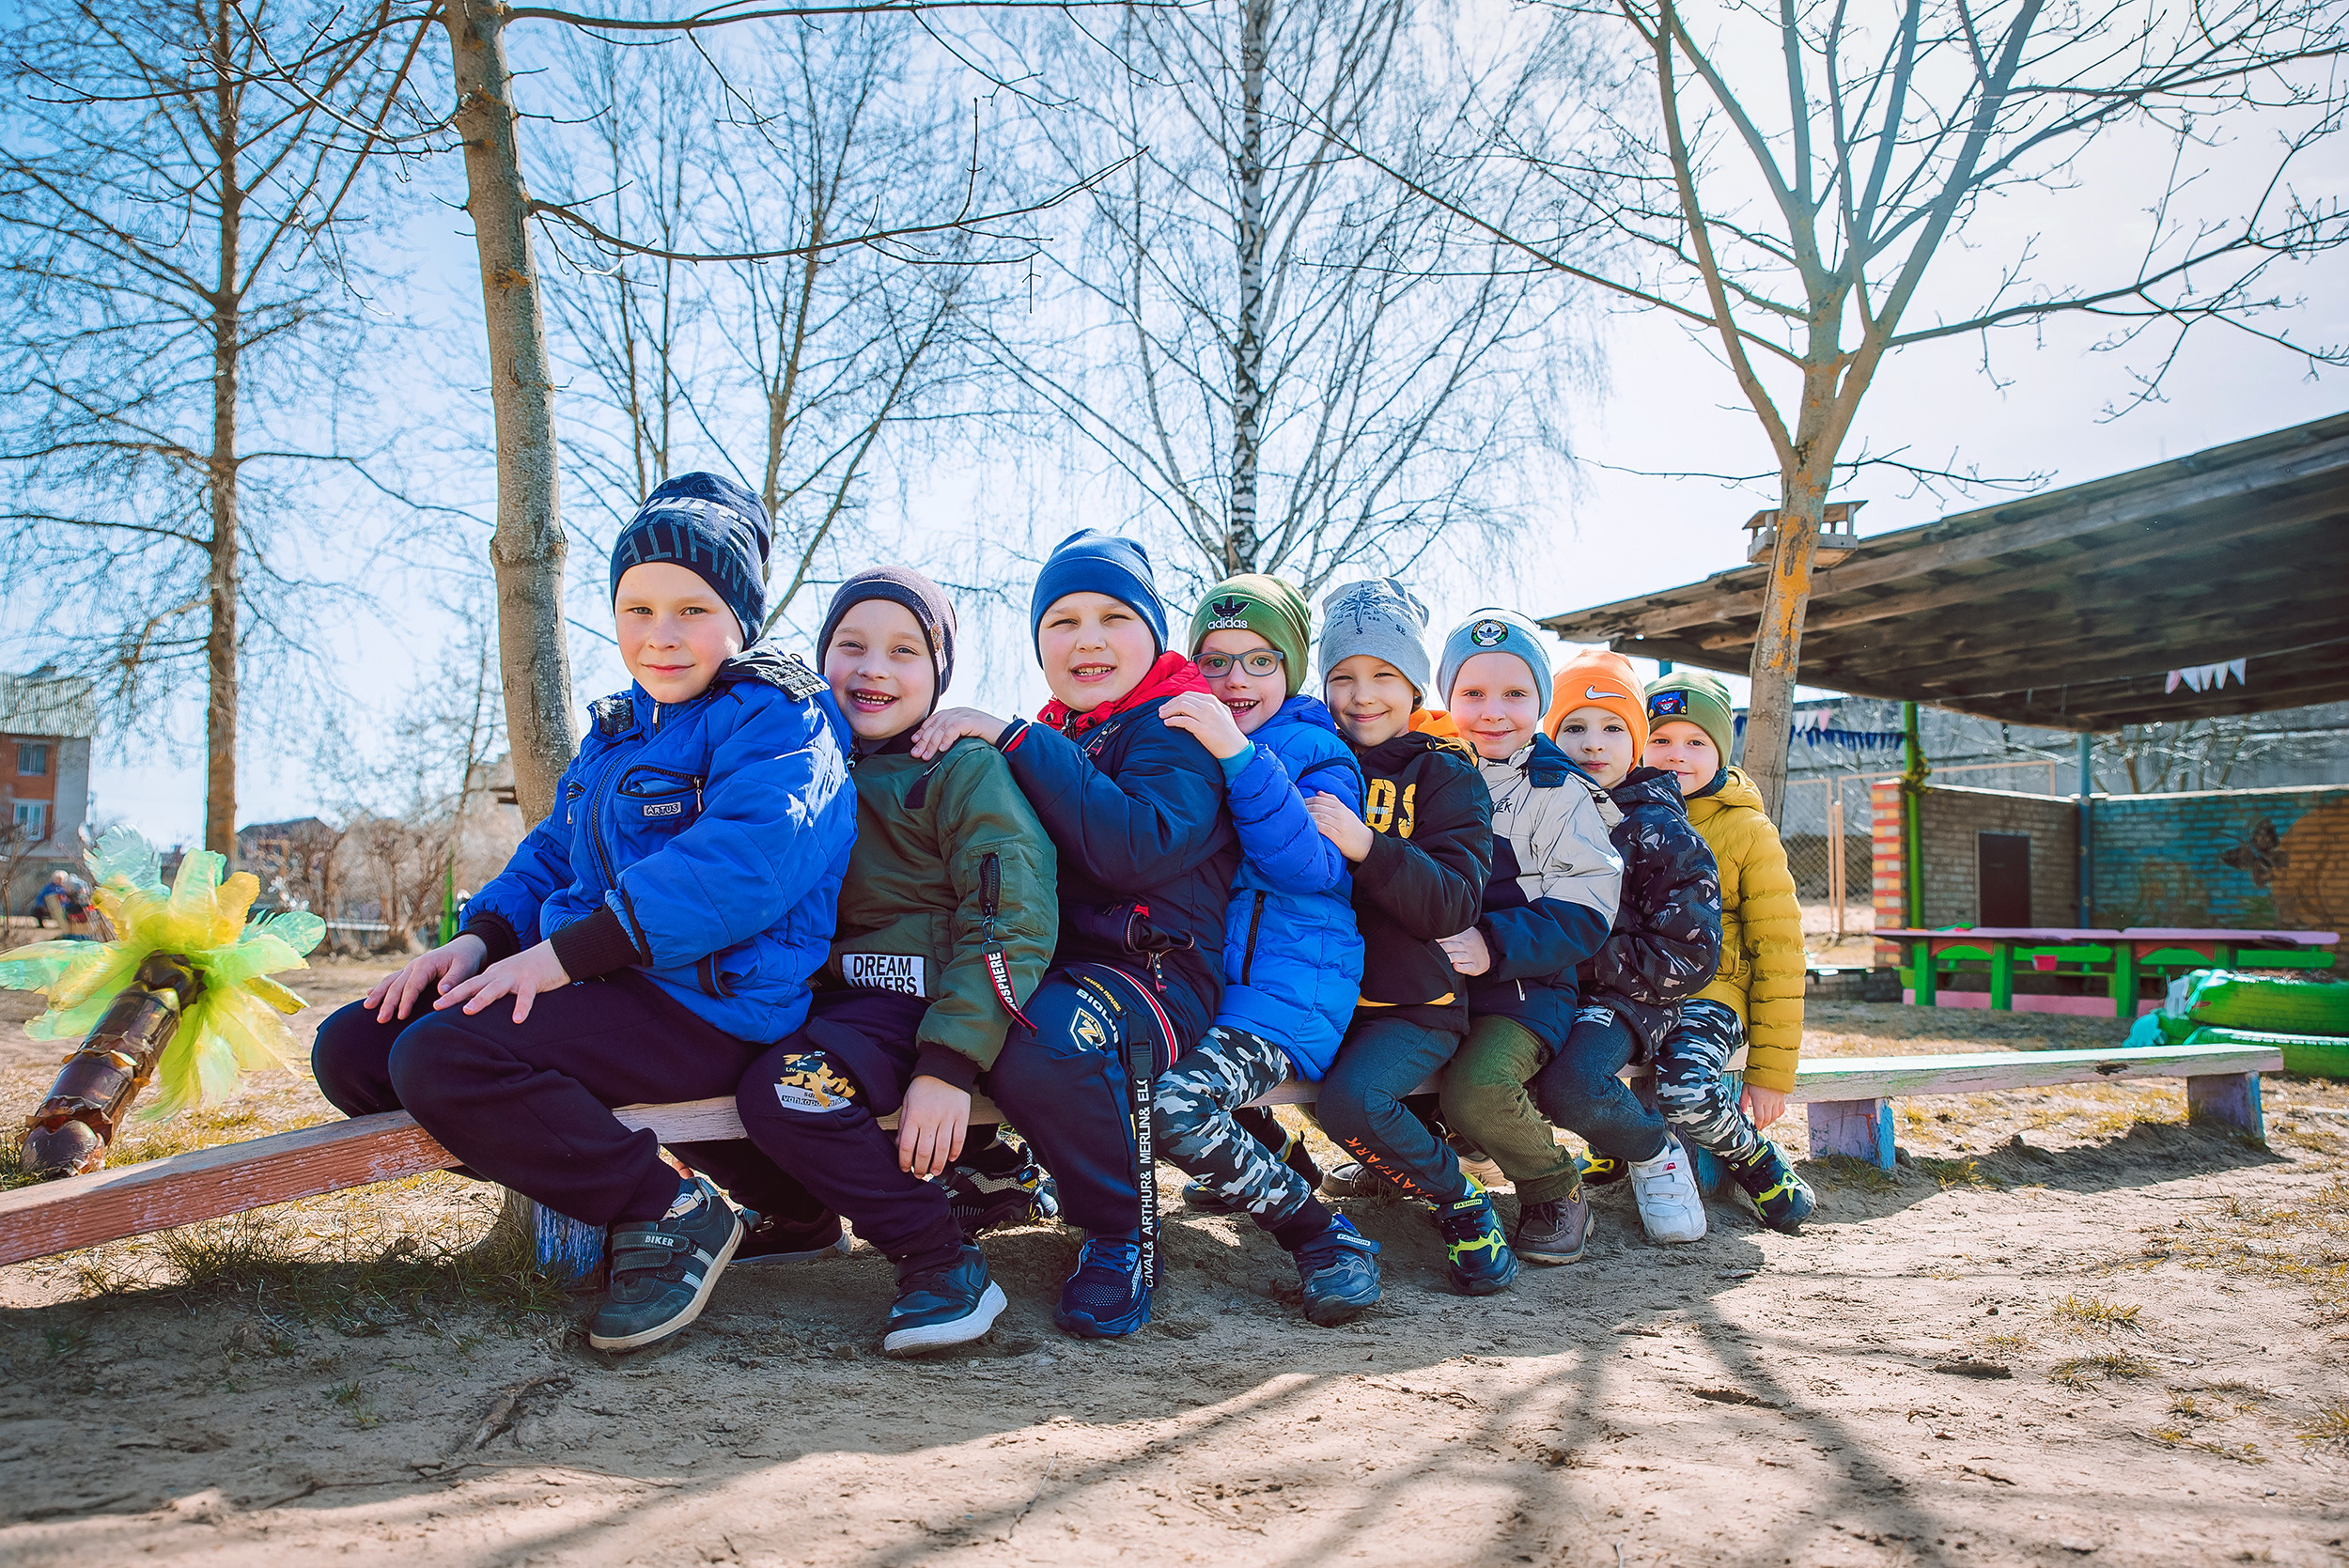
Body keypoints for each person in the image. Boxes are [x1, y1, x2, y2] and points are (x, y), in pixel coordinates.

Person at [310, 474, 857, 1354]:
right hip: (607, 981)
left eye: (692, 609)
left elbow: (743, 865)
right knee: (360, 1048)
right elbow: (554, 855)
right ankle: (759, 1204)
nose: (661, 635)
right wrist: (479, 942)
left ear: (741, 619)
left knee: (444, 1055)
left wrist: (562, 958)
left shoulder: (781, 718)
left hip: (710, 1000)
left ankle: (668, 1209)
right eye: (637, 608)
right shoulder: (619, 729)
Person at [912, 530, 1238, 1338]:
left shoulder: (1178, 723)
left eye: (1112, 617)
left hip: (1155, 974)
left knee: (1040, 1042)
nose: (1087, 638)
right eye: (1061, 621)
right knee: (937, 1015)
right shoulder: (1069, 730)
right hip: (1060, 962)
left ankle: (1120, 1230)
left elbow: (1135, 846)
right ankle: (995, 1176)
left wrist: (1019, 738)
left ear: (1154, 635)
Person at [730, 569, 1057, 1355]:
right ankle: (797, 1214)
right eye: (852, 645)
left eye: (904, 650)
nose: (875, 667)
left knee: (786, 1093)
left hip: (933, 1007)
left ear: (938, 674)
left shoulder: (957, 768)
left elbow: (1012, 911)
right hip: (824, 1002)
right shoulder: (800, 764)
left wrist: (948, 1062)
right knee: (684, 1055)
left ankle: (940, 1256)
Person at [1148, 574, 1381, 1326]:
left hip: (1286, 995)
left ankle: (1325, 1237)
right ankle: (1264, 1153)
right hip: (1208, 988)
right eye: (1214, 660)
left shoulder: (1317, 751)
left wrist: (1240, 758)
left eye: (1259, 661)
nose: (1234, 679)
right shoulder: (1175, 733)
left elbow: (1308, 865)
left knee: (1173, 1103)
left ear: (1290, 668)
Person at [1303, 578, 1513, 1296]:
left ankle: (1462, 1202)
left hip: (1414, 1003)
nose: (1362, 695)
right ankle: (1281, 1168)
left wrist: (1368, 845)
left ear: (1415, 682)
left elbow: (1453, 900)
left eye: (1384, 675)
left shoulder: (1448, 773)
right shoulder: (1313, 754)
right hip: (1323, 991)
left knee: (1347, 1102)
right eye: (1343, 676)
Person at [1428, 615, 1626, 1266]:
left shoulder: (1559, 791)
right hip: (1434, 983)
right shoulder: (1429, 772)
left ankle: (1552, 1185)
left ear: (1541, 701)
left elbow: (1586, 907)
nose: (1493, 712)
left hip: (1524, 990)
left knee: (1477, 1087)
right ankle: (1415, 1164)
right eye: (1473, 694)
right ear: (1447, 699)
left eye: (1514, 693)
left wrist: (1495, 941)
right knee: (1347, 1060)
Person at [1524, 650, 1722, 1250]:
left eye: (1614, 729)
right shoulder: (1529, 810)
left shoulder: (1660, 829)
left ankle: (1654, 1152)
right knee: (1478, 1062)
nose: (1593, 744)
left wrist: (1581, 956)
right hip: (1535, 986)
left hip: (1629, 997)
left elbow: (1687, 953)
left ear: (1636, 742)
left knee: (1569, 1083)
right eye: (1573, 727)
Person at [1620, 669, 1815, 1234]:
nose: (1676, 755)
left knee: (1683, 1084)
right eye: (1660, 739)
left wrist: (1771, 1072)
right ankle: (1617, 1148)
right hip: (1639, 988)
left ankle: (1757, 1164)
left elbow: (1779, 949)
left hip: (1714, 992)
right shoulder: (1616, 814)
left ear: (1720, 751)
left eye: (1696, 742)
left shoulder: (1747, 831)